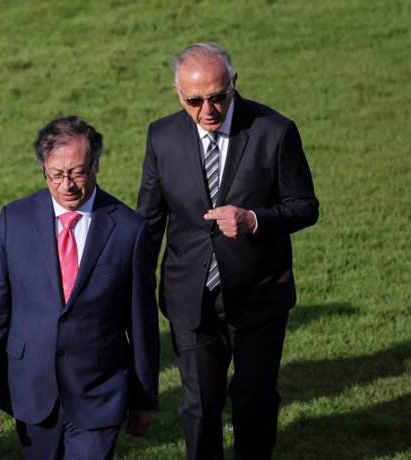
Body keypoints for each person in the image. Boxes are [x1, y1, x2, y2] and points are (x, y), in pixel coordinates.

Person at [136, 43, 319, 459]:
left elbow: (305, 206)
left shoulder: (275, 130)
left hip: (259, 294)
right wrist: (134, 294)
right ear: (177, 94)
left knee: (254, 402)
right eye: (194, 101)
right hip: (190, 297)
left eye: (218, 96)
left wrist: (254, 220)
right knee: (199, 408)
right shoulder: (161, 137)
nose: (208, 110)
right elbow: (148, 224)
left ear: (234, 84)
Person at [0, 115, 160, 460]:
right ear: (43, 169)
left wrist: (144, 398)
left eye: (77, 172)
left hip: (99, 392)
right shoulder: (14, 220)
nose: (66, 185)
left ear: (96, 166)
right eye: (56, 174)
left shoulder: (130, 231)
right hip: (32, 391)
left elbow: (142, 323)